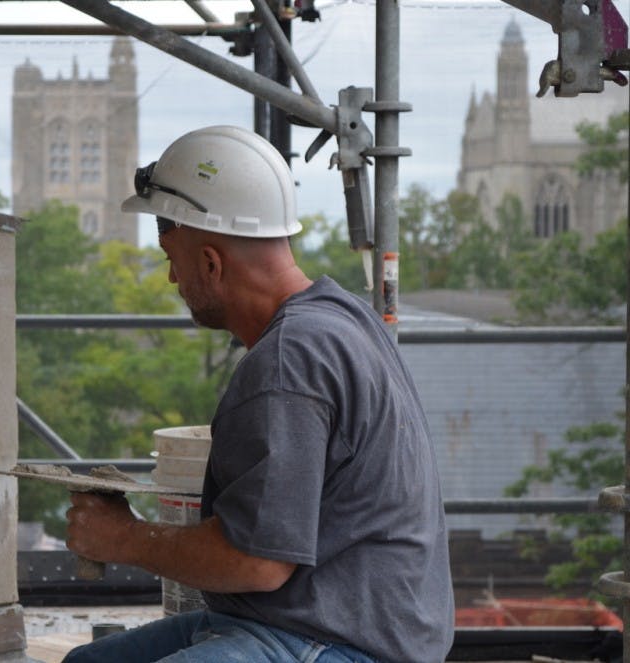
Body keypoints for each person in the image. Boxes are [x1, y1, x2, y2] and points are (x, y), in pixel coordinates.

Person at [63, 125, 454, 663]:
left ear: (211, 262)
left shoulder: (288, 359)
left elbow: (257, 563)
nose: (173, 279)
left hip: (340, 642)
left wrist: (122, 539)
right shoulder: (343, 317)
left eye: (171, 258)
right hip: (320, 617)